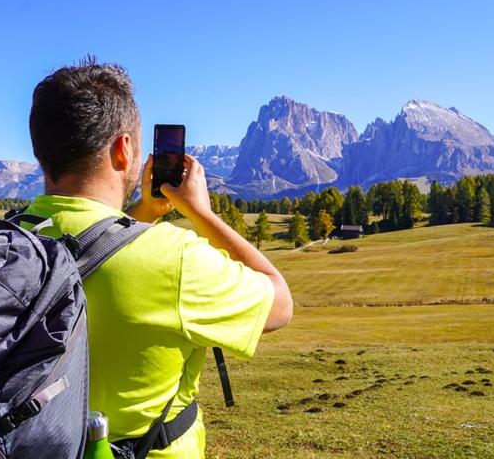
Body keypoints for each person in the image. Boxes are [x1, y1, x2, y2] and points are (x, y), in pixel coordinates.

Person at [25, 57, 293, 458]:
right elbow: (280, 303)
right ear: (123, 149)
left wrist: (145, 212)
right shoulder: (176, 258)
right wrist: (200, 212)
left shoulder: (11, 241)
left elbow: (92, 247)